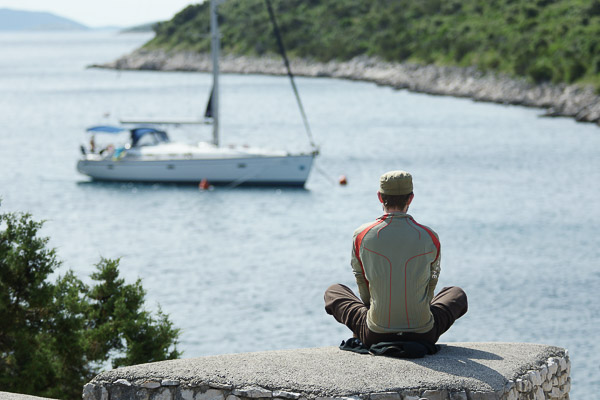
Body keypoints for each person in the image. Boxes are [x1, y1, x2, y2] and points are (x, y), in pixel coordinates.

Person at [324, 170, 468, 348]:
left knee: (334, 291)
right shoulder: (430, 236)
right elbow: (431, 283)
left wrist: (373, 309)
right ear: (411, 198)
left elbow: (361, 281)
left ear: (379, 197)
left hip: (374, 333)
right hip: (424, 334)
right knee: (456, 294)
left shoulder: (361, 235)